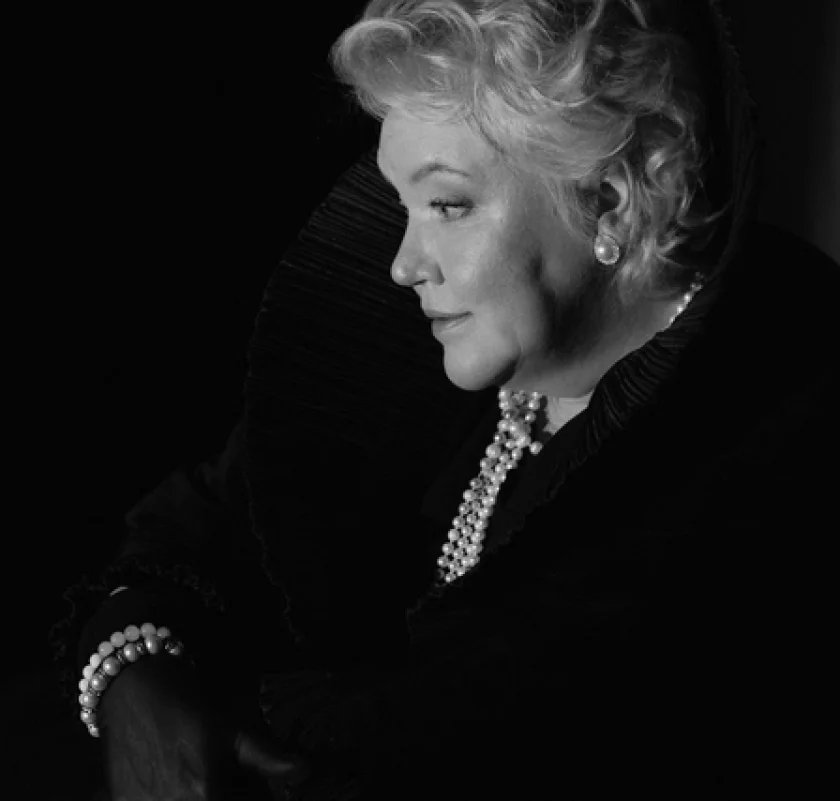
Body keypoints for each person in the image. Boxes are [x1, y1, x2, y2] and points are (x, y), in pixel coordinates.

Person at [49, 1, 838, 798]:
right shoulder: (416, 368)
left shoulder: (771, 448)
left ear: (613, 197)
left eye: (449, 205)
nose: (403, 264)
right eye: (403, 204)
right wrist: (133, 668)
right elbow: (195, 527)